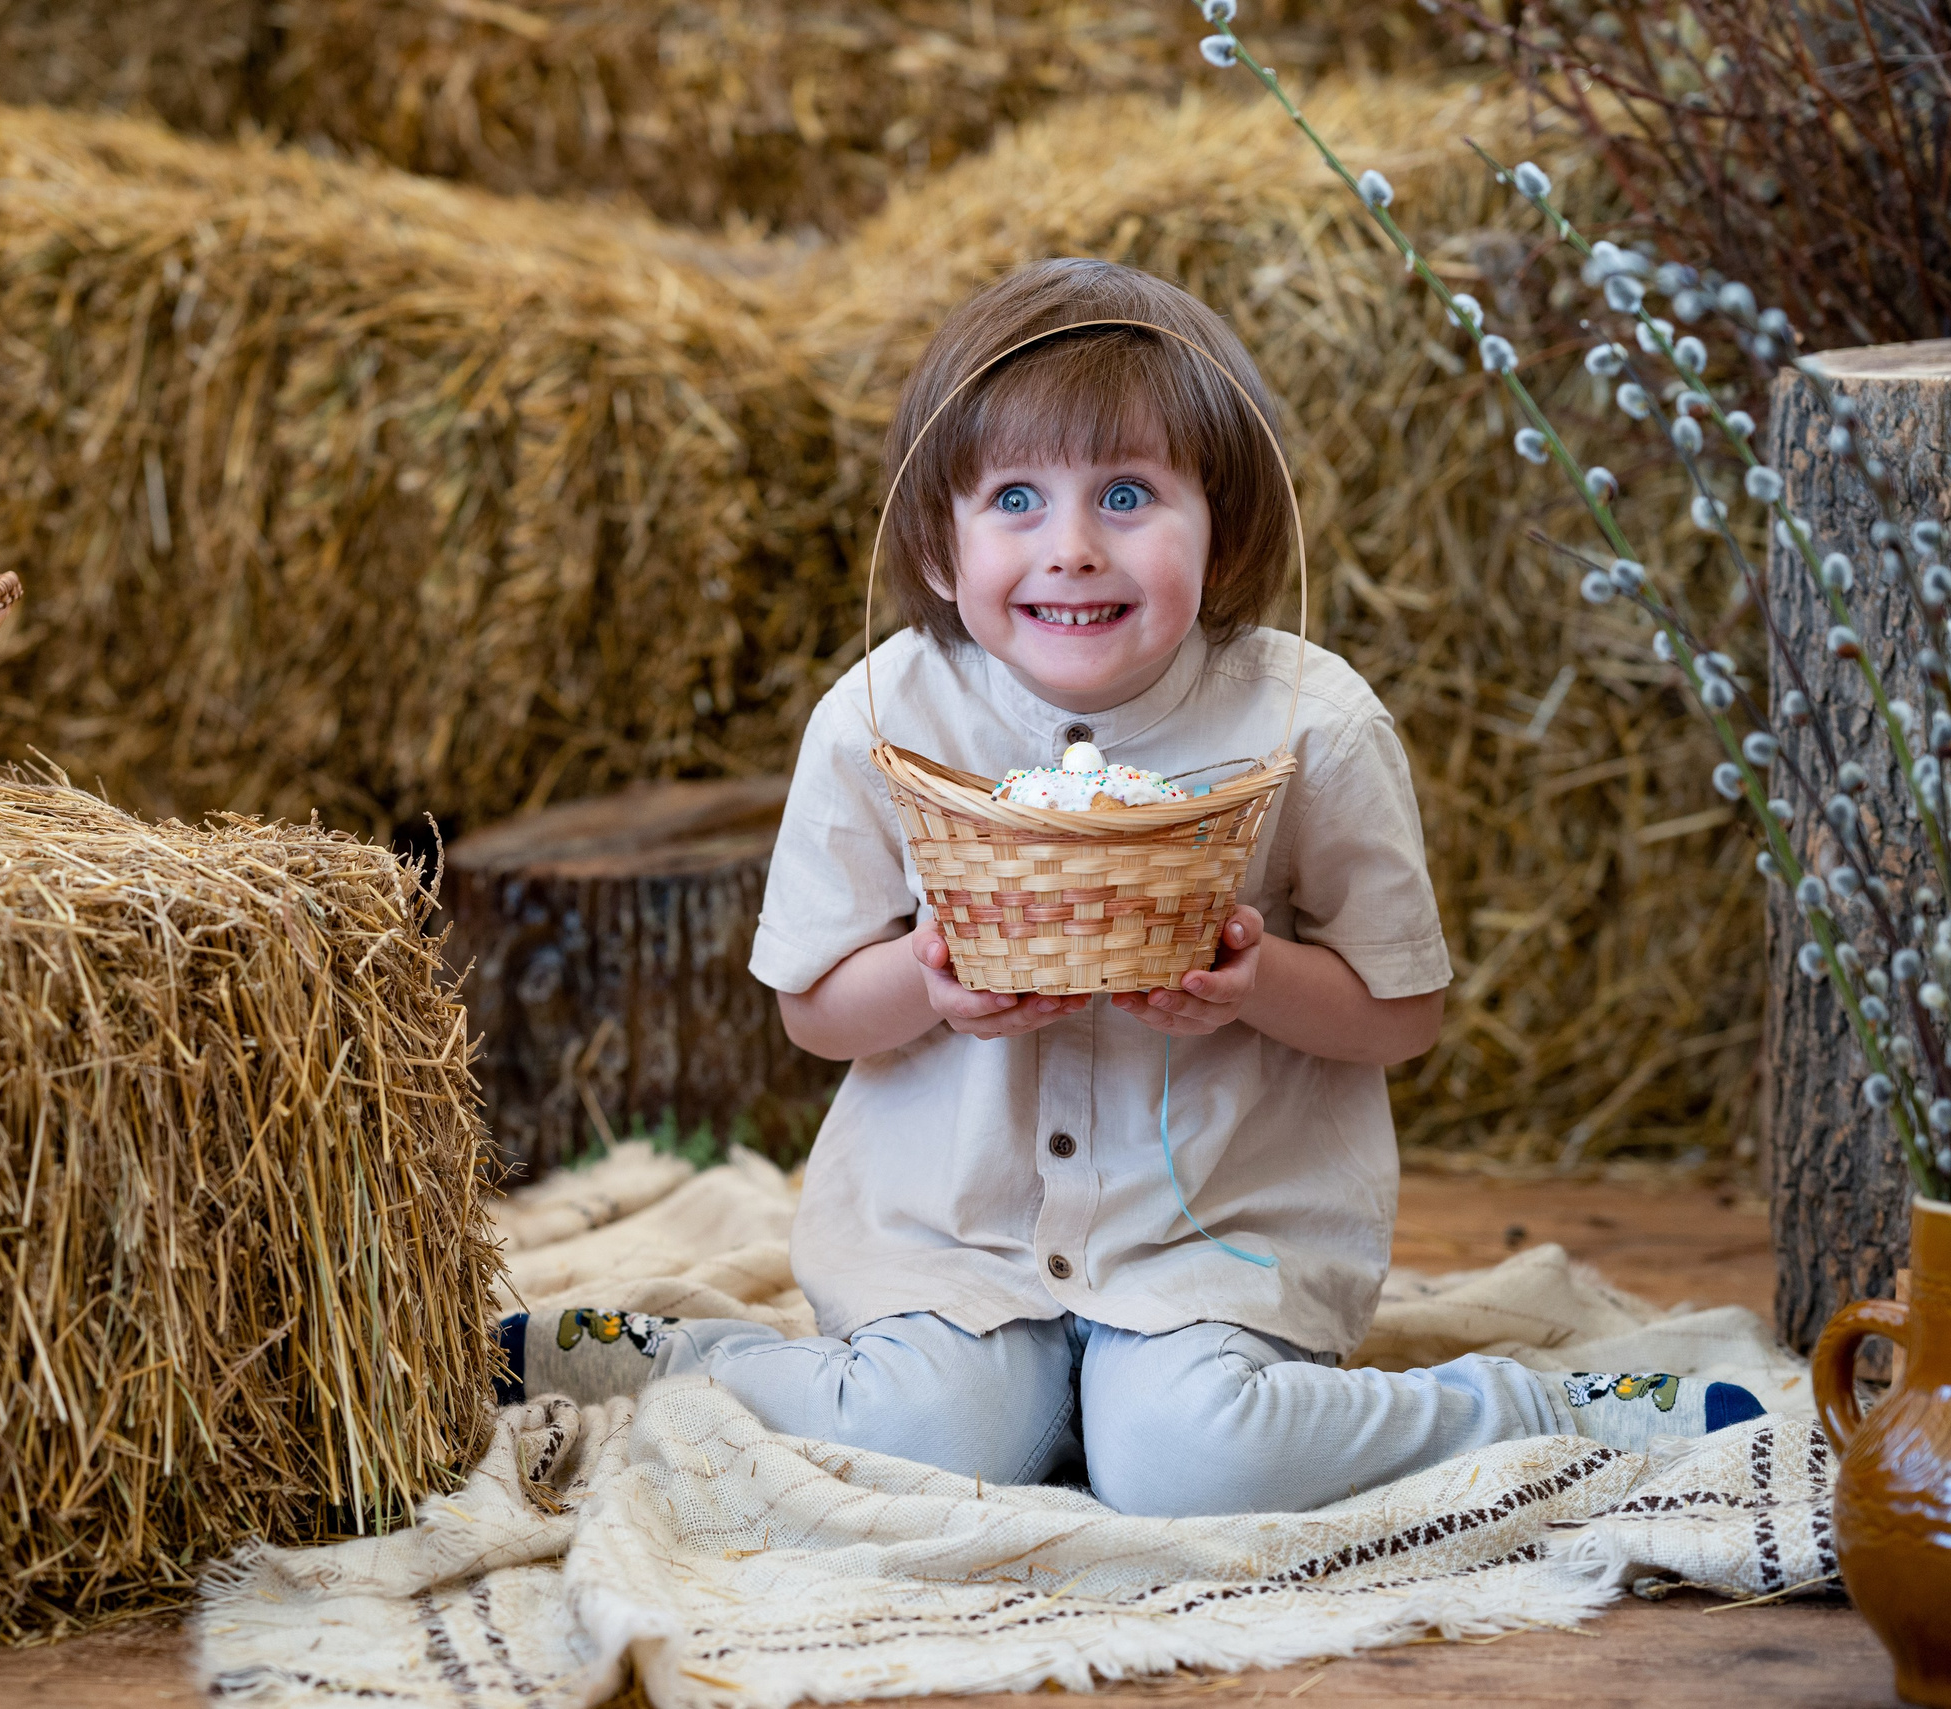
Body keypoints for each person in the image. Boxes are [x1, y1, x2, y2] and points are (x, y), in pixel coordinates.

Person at [495, 258, 1762, 1516]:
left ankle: (1539, 1408)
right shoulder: (881, 718)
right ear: (935, 544)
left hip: (1210, 1243)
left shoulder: (1309, 723)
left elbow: (1401, 1013)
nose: (1073, 549)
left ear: (1225, 529)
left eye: (1125, 494)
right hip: (957, 1244)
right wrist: (935, 980)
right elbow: (812, 1009)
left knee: (1187, 1462)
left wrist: (1255, 982)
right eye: (1014, 499)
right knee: (930, 1433)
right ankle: (681, 1357)